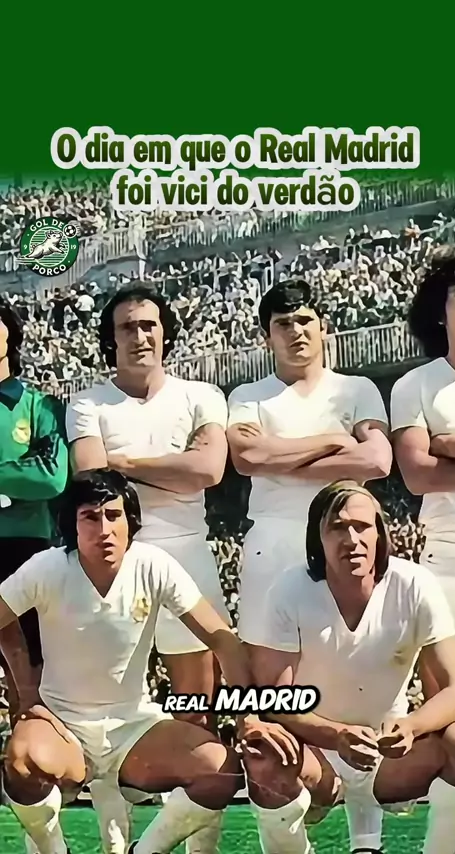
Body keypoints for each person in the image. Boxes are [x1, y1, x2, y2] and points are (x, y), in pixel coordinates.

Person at [0, 468, 296, 854]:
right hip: (62, 724)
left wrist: (249, 717)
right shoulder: (48, 567)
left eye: (113, 516)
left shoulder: (153, 564)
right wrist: (26, 691)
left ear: (131, 522)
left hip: (133, 726)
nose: (104, 529)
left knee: (220, 771)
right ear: (72, 525)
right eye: (90, 517)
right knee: (22, 760)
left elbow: (223, 640)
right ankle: (55, 849)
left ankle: (146, 850)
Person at [227, 279, 392, 852]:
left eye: (304, 321)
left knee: (357, 668)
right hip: (273, 539)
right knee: (270, 686)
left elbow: (377, 459)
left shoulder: (357, 389)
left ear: (323, 327)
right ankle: (289, 815)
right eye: (282, 324)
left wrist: (282, 457)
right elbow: (247, 457)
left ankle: (365, 828)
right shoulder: (249, 395)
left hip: (344, 536)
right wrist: (330, 442)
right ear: (266, 335)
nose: (296, 332)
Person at [66, 284, 231, 854]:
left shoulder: (202, 395)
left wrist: (124, 462)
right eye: (127, 327)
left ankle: (196, 847)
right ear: (110, 339)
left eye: (149, 325)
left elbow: (209, 470)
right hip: (114, 563)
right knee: (107, 717)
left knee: (198, 714)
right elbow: (91, 478)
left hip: (188, 555)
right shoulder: (88, 403)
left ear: (165, 332)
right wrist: (172, 466)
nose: (139, 336)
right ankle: (116, 840)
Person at [242, 480, 455, 854]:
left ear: (380, 534)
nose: (351, 539)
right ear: (317, 537)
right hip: (317, 753)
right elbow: (275, 700)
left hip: (391, 755)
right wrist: (337, 735)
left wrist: (412, 726)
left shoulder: (414, 584)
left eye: (362, 526)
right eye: (337, 527)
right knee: (263, 757)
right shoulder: (289, 589)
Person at [390, 239, 455, 854]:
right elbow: (419, 474)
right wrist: (440, 455)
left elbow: (439, 460)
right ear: (439, 310)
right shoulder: (416, 385)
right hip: (449, 563)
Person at [0, 298, 68, 722]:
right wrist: (12, 484)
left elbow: (50, 476)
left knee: (30, 677)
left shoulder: (39, 406)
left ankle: (33, 751)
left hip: (23, 545)